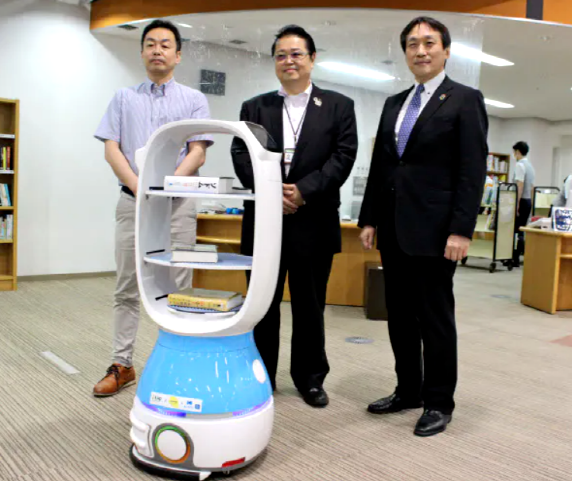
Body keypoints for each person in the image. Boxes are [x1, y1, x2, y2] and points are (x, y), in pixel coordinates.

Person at [358, 16, 488, 436]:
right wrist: (369, 217)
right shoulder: (394, 103)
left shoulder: (464, 99)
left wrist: (461, 229)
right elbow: (382, 165)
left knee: (434, 319)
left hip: (436, 231)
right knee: (399, 316)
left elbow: (472, 170)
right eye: (412, 44)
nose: (421, 50)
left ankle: (438, 402)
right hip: (394, 228)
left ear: (446, 51)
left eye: (429, 42)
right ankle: (408, 390)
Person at [231, 25, 357, 407]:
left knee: (310, 306)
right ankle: (261, 376)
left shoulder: (338, 106)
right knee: (262, 306)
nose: (289, 61)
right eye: (281, 55)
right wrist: (273, 193)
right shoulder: (255, 108)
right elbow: (241, 154)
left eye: (296, 53)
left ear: (312, 59)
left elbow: (343, 157)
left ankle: (310, 379)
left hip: (313, 221)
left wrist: (303, 191)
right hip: (265, 224)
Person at [93, 19, 213, 397]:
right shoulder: (123, 98)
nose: (157, 50)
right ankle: (122, 364)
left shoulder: (194, 99)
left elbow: (197, 151)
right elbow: (112, 149)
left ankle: (175, 364)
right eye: (150, 44)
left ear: (178, 55)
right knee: (127, 286)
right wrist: (140, 186)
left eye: (165, 44)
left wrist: (166, 188)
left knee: (179, 287)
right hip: (133, 203)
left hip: (178, 206)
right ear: (142, 52)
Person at [512, 141, 536, 266]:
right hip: (528, 200)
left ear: (517, 152)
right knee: (521, 229)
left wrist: (516, 203)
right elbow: (532, 186)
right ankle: (518, 256)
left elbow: (519, 185)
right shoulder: (530, 166)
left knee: (516, 229)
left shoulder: (520, 165)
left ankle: (514, 257)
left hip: (521, 200)